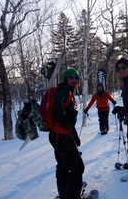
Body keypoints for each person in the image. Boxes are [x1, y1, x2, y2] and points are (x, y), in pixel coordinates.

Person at [49, 68, 84, 199]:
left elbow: (69, 119)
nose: (74, 80)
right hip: (61, 136)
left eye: (76, 78)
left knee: (63, 164)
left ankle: (64, 194)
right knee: (78, 166)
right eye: (71, 77)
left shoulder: (67, 92)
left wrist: (74, 135)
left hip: (58, 135)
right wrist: (64, 120)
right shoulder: (64, 90)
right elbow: (58, 103)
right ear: (65, 79)